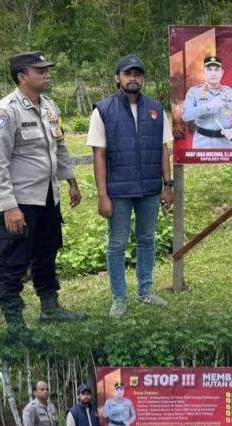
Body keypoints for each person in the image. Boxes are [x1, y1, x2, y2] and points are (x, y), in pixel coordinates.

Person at [0, 51, 85, 343]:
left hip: (48, 197)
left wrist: (71, 181)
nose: (46, 74)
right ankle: (15, 324)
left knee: (47, 252)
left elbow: (60, 147)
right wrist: (9, 207)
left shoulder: (49, 106)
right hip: (20, 201)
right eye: (39, 70)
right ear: (22, 77)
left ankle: (50, 307)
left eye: (46, 69)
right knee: (13, 262)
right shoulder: (5, 112)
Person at [88, 54, 174, 319]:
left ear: (143, 78)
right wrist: (103, 195)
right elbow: (98, 155)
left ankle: (145, 291)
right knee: (117, 243)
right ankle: (119, 298)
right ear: (118, 78)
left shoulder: (156, 109)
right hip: (118, 191)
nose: (133, 78)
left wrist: (167, 185)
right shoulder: (103, 110)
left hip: (149, 188)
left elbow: (163, 149)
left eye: (138, 74)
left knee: (147, 240)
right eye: (128, 74)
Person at [181, 56, 232, 148]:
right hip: (201, 143)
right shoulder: (194, 92)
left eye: (216, 70)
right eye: (209, 69)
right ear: (204, 72)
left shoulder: (231, 93)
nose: (213, 73)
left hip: (225, 143)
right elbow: (185, 116)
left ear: (222, 73)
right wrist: (207, 107)